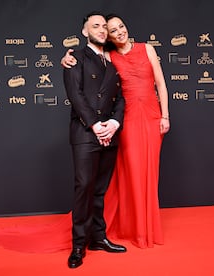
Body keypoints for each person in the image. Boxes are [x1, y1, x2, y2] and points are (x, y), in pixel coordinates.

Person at [62, 13, 170, 248]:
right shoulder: (108, 57)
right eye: (112, 30)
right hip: (126, 121)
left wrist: (165, 115)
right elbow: (86, 83)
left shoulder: (146, 49)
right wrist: (66, 59)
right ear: (106, 36)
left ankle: (144, 229)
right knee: (127, 175)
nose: (119, 31)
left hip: (150, 117)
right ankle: (129, 231)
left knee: (150, 173)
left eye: (121, 26)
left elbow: (160, 83)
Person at [63, 11, 126, 269]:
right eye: (96, 26)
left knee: (100, 189)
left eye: (104, 27)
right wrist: (95, 124)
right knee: (84, 188)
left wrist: (114, 122)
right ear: (84, 31)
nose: (101, 30)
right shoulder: (74, 58)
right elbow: (75, 95)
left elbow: (120, 98)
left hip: (109, 134)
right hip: (86, 132)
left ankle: (98, 238)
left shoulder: (113, 63)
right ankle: (79, 245)